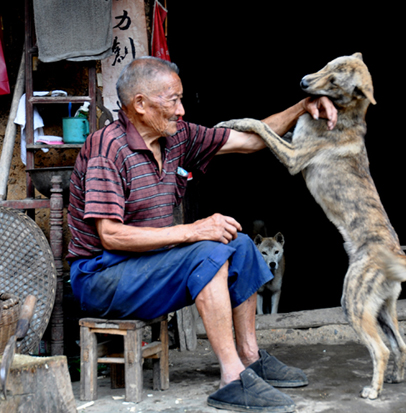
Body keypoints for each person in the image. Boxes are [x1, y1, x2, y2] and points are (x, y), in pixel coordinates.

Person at [67, 56, 337, 412]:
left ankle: (250, 358)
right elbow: (112, 237)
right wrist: (192, 230)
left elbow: (253, 140)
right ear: (141, 105)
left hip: (147, 266)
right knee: (206, 250)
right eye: (173, 100)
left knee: (239, 244)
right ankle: (231, 378)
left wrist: (303, 107)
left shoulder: (176, 137)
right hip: (103, 276)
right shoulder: (108, 148)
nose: (181, 109)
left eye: (180, 99)